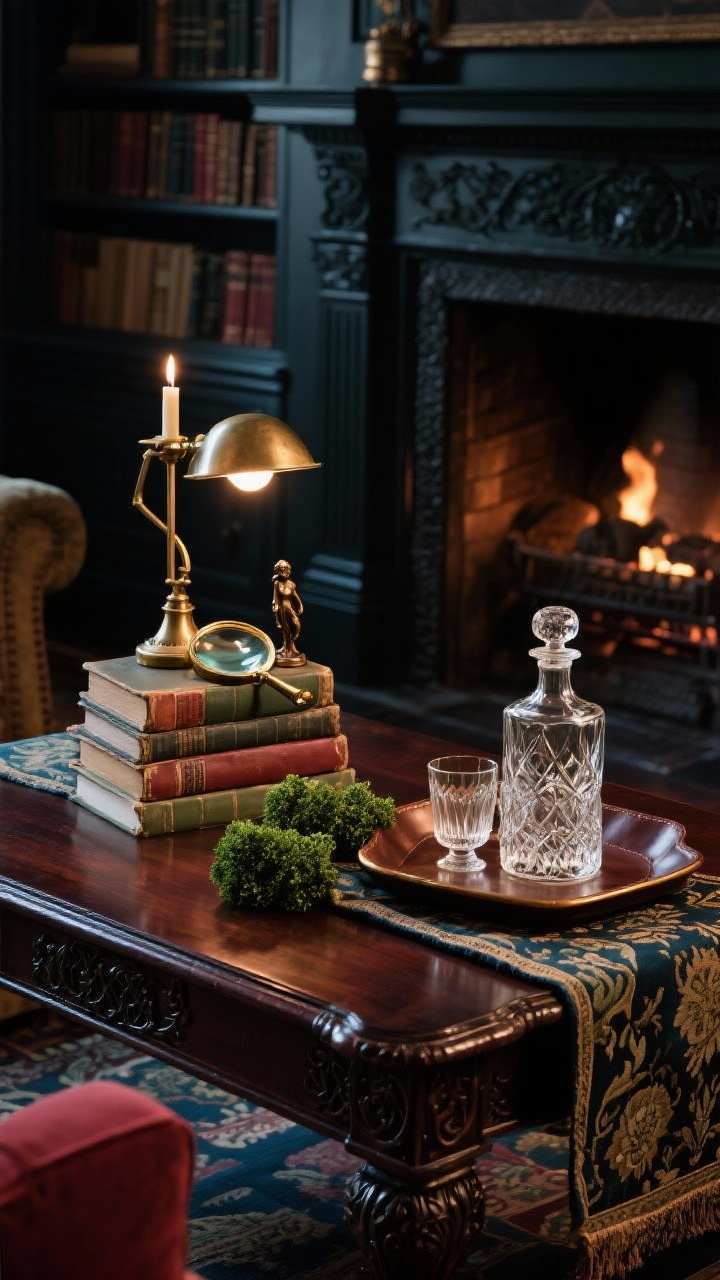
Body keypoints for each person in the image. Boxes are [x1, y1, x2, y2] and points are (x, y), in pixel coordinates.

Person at [272, 559, 306, 665]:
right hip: (281, 609)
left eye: (286, 569)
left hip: (289, 608)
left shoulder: (291, 584)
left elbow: (295, 597)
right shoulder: (277, 583)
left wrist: (300, 606)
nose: (284, 572)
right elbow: (275, 598)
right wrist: (275, 607)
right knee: (286, 630)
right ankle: (286, 650)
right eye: (282, 569)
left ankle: (290, 645)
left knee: (297, 626)